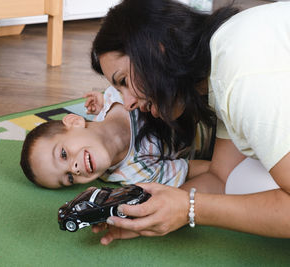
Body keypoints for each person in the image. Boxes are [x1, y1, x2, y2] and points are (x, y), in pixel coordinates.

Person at [90, 0, 290, 244]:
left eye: (123, 81)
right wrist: (147, 210)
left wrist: (190, 209)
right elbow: (221, 177)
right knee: (241, 180)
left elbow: (208, 195)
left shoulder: (239, 71)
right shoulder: (219, 68)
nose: (129, 103)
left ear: (156, 49)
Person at [20, 86, 212, 189]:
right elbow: (190, 170)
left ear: (74, 122)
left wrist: (103, 101)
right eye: (68, 178)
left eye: (63, 154)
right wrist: (224, 170)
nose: (74, 169)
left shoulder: (117, 94)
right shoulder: (134, 174)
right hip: (217, 134)